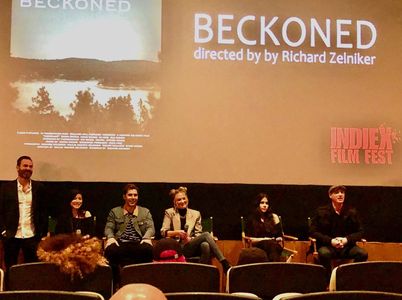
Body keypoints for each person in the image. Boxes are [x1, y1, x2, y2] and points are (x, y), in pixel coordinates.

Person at [160, 186, 231, 272]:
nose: (182, 201)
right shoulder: (169, 212)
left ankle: (199, 272)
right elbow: (163, 232)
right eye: (179, 200)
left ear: (187, 199)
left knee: (205, 245)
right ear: (174, 202)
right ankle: (224, 262)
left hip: (190, 246)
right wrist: (177, 232)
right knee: (206, 235)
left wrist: (190, 239)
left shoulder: (196, 214)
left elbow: (198, 234)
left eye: (184, 198)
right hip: (176, 247)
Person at [0, 155, 48, 272]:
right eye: (25, 166)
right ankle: (9, 289)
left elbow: (44, 211)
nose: (28, 168)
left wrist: (43, 233)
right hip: (12, 235)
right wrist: (2, 230)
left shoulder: (39, 188)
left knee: (31, 269)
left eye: (30, 166)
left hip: (31, 235)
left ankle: (29, 289)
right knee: (10, 267)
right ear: (18, 167)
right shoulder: (6, 188)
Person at [309, 185, 368, 276]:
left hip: (347, 246)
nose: (340, 195)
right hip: (328, 246)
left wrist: (346, 240)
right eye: (336, 192)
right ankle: (328, 281)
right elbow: (313, 231)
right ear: (330, 196)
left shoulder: (351, 212)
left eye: (342, 192)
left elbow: (361, 232)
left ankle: (350, 277)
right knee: (324, 253)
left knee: (363, 254)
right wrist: (331, 241)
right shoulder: (321, 212)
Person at [104, 183, 154, 267]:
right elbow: (109, 227)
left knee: (148, 249)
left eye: (135, 195)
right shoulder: (114, 211)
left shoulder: (145, 212)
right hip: (120, 243)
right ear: (124, 196)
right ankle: (116, 279)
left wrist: (146, 238)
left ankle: (143, 279)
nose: (133, 198)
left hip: (139, 242)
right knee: (111, 250)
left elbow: (150, 228)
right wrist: (111, 238)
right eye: (130, 195)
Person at [245, 193, 284, 262]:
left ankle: (272, 268)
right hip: (258, 244)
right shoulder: (252, 219)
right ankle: (275, 268)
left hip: (273, 244)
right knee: (271, 245)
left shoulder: (273, 217)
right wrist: (264, 239)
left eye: (267, 203)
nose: (265, 205)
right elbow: (249, 239)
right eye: (262, 203)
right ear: (257, 204)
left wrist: (277, 238)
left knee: (273, 246)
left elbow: (280, 236)